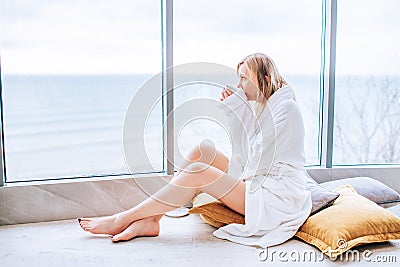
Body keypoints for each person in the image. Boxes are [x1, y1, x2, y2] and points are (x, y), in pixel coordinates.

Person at [78, 53, 312, 248]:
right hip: (259, 180)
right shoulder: (265, 105)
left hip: (275, 198)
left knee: (199, 171)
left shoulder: (286, 109)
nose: (239, 85)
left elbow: (253, 158)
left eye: (244, 79)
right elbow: (247, 154)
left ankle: (123, 218)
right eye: (238, 78)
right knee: (202, 150)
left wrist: (237, 110)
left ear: (265, 78)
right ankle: (152, 220)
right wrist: (239, 109)